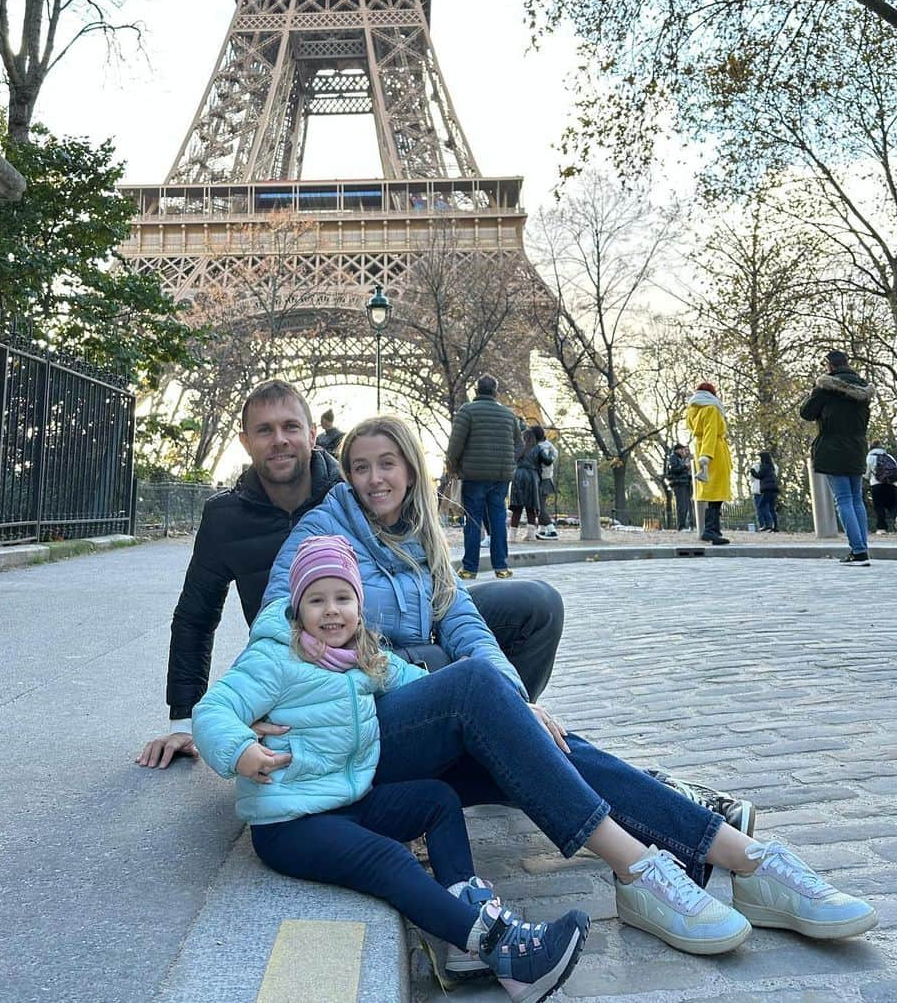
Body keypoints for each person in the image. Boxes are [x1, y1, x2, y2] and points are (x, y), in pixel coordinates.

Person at [258, 415, 877, 957]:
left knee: (548, 742)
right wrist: (232, 718)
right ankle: (638, 868)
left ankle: (745, 859)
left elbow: (466, 623)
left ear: (412, 471)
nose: (374, 479)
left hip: (411, 728)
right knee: (478, 690)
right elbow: (270, 629)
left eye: (386, 464)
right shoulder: (321, 534)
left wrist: (517, 701)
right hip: (356, 732)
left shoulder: (419, 539)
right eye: (360, 468)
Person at [193, 535, 590, 998]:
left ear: (359, 607)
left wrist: (495, 706)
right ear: (297, 609)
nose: (332, 611)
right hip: (291, 821)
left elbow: (431, 687)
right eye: (316, 600)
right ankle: (501, 948)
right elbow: (213, 710)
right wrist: (240, 749)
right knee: (391, 859)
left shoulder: (366, 658)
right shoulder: (274, 659)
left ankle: (465, 912)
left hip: (349, 800)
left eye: (343, 597)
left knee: (437, 800)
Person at [135, 380, 565, 768]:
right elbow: (196, 616)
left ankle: (499, 732)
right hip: (317, 652)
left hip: (401, 621)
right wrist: (190, 720)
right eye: (264, 431)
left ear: (312, 434)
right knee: (434, 661)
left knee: (532, 605)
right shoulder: (228, 517)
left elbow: (443, 591)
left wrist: (511, 699)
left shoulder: (353, 491)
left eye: (290, 427)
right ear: (245, 442)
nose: (280, 440)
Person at [800, 350, 875, 567]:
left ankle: (858, 551)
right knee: (856, 499)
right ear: (847, 363)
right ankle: (863, 548)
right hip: (857, 447)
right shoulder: (863, 388)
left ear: (829, 366)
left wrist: (814, 392)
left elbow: (806, 412)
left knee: (843, 499)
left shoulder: (825, 388)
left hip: (833, 448)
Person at [447, 373, 517, 579]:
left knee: (473, 522)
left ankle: (470, 568)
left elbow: (455, 445)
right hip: (501, 476)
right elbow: (519, 443)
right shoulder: (508, 414)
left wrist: (453, 467)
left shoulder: (467, 411)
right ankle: (501, 567)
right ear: (496, 392)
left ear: (476, 391)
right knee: (497, 520)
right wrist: (510, 464)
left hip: (474, 475)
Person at [685, 383, 733, 548]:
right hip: (714, 451)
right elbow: (711, 432)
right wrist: (707, 456)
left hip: (700, 448)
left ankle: (714, 529)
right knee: (717, 493)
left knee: (711, 492)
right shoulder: (711, 408)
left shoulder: (692, 409)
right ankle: (711, 529)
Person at [508, 425, 540, 542]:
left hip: (518, 475)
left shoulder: (518, 447)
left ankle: (512, 536)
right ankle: (531, 535)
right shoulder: (537, 448)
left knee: (517, 508)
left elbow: (512, 459)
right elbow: (545, 461)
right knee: (531, 507)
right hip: (532, 476)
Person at [864, 440, 897, 535]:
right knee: (893, 505)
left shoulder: (869, 458)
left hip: (876, 485)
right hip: (892, 484)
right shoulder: (889, 457)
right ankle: (896, 517)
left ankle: (881, 528)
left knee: (879, 507)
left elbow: (866, 474)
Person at [532, 425, 559, 539]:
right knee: (540, 506)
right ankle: (542, 530)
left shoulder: (539, 448)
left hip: (541, 480)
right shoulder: (549, 446)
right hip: (548, 479)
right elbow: (554, 455)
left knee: (539, 508)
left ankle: (552, 530)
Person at [665, 444, 694, 532]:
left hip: (684, 483)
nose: (683, 452)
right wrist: (685, 466)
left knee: (685, 505)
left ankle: (684, 525)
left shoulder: (679, 458)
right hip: (679, 484)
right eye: (682, 450)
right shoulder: (673, 458)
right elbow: (674, 469)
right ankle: (681, 526)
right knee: (681, 506)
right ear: (677, 450)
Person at [748, 452, 779, 533]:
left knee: (761, 506)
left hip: (767, 489)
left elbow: (759, 476)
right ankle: (775, 526)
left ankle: (767, 524)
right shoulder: (771, 467)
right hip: (774, 489)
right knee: (771, 508)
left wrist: (752, 471)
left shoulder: (764, 466)